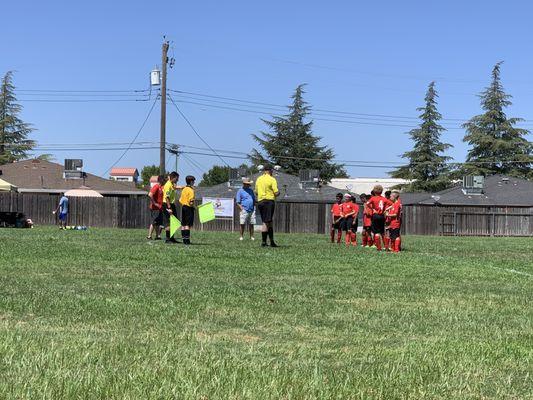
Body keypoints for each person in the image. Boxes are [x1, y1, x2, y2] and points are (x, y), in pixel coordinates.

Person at [255, 165, 280, 247]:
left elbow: (256, 192)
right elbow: (276, 192)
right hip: (269, 202)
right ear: (270, 171)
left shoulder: (258, 179)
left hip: (260, 202)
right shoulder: (272, 179)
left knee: (268, 221)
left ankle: (270, 242)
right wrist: (278, 193)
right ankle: (265, 242)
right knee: (266, 222)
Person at [367, 185, 393, 251]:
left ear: (374, 191)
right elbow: (392, 204)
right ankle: (386, 247)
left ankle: (379, 248)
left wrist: (372, 209)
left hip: (375, 216)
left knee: (376, 233)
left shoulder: (373, 198)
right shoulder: (384, 199)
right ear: (381, 192)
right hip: (382, 216)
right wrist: (386, 210)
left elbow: (367, 204)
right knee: (382, 232)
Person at [162, 171, 180, 244]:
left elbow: (176, 188)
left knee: (174, 221)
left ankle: (172, 238)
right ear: (173, 177)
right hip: (167, 204)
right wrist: (169, 207)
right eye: (177, 178)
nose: (177, 180)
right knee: (168, 222)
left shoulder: (172, 184)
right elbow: (167, 197)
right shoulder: (168, 185)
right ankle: (167, 239)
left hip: (171, 204)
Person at [147, 175, 165, 240]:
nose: (165, 181)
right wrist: (154, 203)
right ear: (161, 180)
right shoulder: (156, 186)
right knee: (154, 222)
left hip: (159, 208)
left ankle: (157, 236)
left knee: (158, 223)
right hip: (154, 208)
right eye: (164, 180)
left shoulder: (161, 187)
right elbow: (150, 195)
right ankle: (149, 236)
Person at [179, 175, 196, 245]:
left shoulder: (184, 189)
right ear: (191, 182)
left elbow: (180, 200)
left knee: (183, 224)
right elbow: (191, 202)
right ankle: (187, 241)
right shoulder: (191, 190)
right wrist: (194, 206)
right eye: (193, 181)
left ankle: (183, 240)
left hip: (183, 207)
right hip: (189, 208)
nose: (194, 182)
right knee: (187, 225)